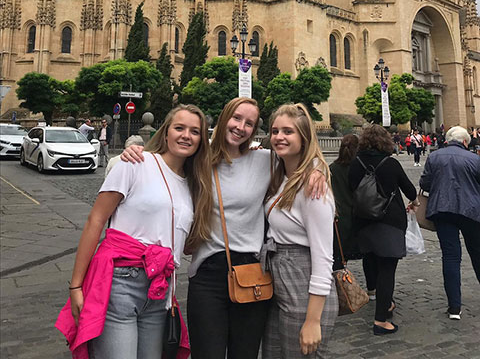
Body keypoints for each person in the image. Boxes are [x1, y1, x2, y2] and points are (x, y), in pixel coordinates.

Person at [121, 97, 325, 359]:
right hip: (207, 275)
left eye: (249, 123)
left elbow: (299, 156)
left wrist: (318, 169)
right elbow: (167, 159)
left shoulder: (264, 160)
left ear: (254, 129)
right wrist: (136, 152)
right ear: (224, 117)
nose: (241, 127)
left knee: (245, 354)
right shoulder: (200, 160)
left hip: (252, 273)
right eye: (236, 118)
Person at [56, 105, 213, 359]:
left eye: (195, 131)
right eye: (180, 128)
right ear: (166, 132)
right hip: (121, 283)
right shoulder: (135, 163)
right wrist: (76, 286)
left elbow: (184, 243)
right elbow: (96, 220)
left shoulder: (194, 184)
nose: (186, 135)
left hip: (160, 291)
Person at [263, 103, 338, 358]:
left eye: (288, 131)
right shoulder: (281, 175)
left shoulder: (313, 187)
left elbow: (323, 256)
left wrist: (313, 320)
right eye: (275, 131)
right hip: (280, 285)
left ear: (303, 138)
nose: (279, 137)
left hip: (304, 289)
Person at [348, 124, 418, 335]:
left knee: (372, 259)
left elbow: (352, 189)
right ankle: (381, 320)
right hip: (389, 221)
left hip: (363, 221)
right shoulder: (391, 164)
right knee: (387, 269)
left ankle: (384, 302)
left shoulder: (355, 163)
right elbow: (410, 190)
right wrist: (413, 202)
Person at [419, 125, 480, 320]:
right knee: (477, 254)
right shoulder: (475, 159)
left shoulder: (435, 157)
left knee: (451, 257)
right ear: (464, 141)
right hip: (471, 211)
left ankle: (454, 307)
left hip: (443, 209)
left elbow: (424, 184)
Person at [329, 134, 361, 272]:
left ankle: (338, 285)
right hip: (358, 216)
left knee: (339, 256)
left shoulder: (332, 168)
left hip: (339, 218)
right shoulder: (360, 167)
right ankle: (372, 290)